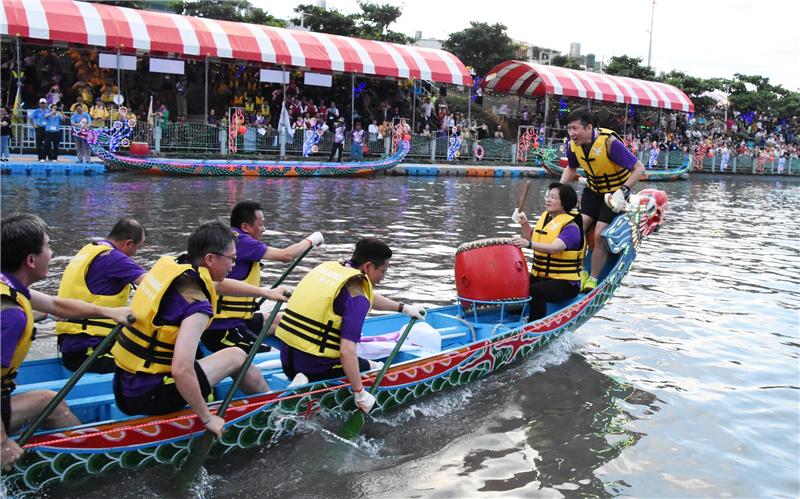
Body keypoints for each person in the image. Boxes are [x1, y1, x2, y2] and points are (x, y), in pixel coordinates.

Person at [111, 221, 288, 437]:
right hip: (152, 394)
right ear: (210, 259)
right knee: (237, 355)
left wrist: (268, 293)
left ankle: (267, 403)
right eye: (231, 259)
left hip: (124, 386)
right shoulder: (197, 307)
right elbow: (181, 370)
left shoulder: (176, 271)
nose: (234, 265)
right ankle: (273, 413)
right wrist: (207, 418)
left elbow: (220, 285)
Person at [1, 214, 133, 471]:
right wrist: (2, 442)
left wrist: (111, 312)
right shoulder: (11, 315)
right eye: (48, 246)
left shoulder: (9, 285)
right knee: (50, 403)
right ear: (31, 260)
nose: (51, 253)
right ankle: (90, 465)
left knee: (45, 399)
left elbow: (56, 305)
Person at [275, 238, 426, 414]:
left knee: (351, 359)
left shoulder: (332, 270)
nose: (383, 279)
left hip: (287, 361)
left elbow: (365, 296)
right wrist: (360, 393)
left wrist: (403, 308)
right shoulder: (358, 298)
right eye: (383, 272)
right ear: (368, 267)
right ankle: (310, 385)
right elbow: (346, 352)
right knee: (374, 367)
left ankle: (301, 377)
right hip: (316, 369)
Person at [202, 202, 324, 353]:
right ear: (246, 227)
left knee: (289, 321)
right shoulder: (242, 241)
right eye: (260, 225)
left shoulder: (228, 238)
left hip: (239, 319)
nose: (264, 229)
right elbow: (286, 255)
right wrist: (312, 240)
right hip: (224, 326)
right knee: (273, 354)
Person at [558, 108, 644, 291]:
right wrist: (558, 188)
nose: (572, 133)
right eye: (569, 129)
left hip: (614, 195)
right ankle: (580, 271)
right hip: (593, 191)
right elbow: (571, 168)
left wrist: (623, 190)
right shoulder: (572, 145)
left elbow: (639, 168)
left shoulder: (609, 143)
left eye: (575, 128)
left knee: (599, 234)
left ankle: (594, 278)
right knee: (576, 228)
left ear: (589, 128)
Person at [55, 218, 148, 373]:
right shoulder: (114, 258)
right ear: (128, 243)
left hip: (72, 349)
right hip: (91, 352)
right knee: (155, 364)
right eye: (138, 247)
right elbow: (154, 285)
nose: (135, 252)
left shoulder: (89, 251)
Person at [511, 183, 585, 321]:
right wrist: (524, 223)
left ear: (564, 203)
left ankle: (534, 326)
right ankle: (513, 316)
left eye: (553, 197)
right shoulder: (546, 218)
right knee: (517, 283)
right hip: (543, 276)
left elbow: (554, 248)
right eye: (548, 196)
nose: (548, 200)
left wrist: (528, 245)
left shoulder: (571, 227)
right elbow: (531, 237)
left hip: (566, 283)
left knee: (536, 291)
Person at [30, 98, 48, 162]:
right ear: (39, 104)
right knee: (39, 143)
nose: (43, 105)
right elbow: (31, 118)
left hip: (47, 128)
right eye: (41, 103)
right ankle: (40, 157)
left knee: (47, 143)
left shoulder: (49, 111)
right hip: (39, 128)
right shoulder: (36, 111)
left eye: (44, 103)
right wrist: (33, 125)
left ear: (46, 104)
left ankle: (44, 157)